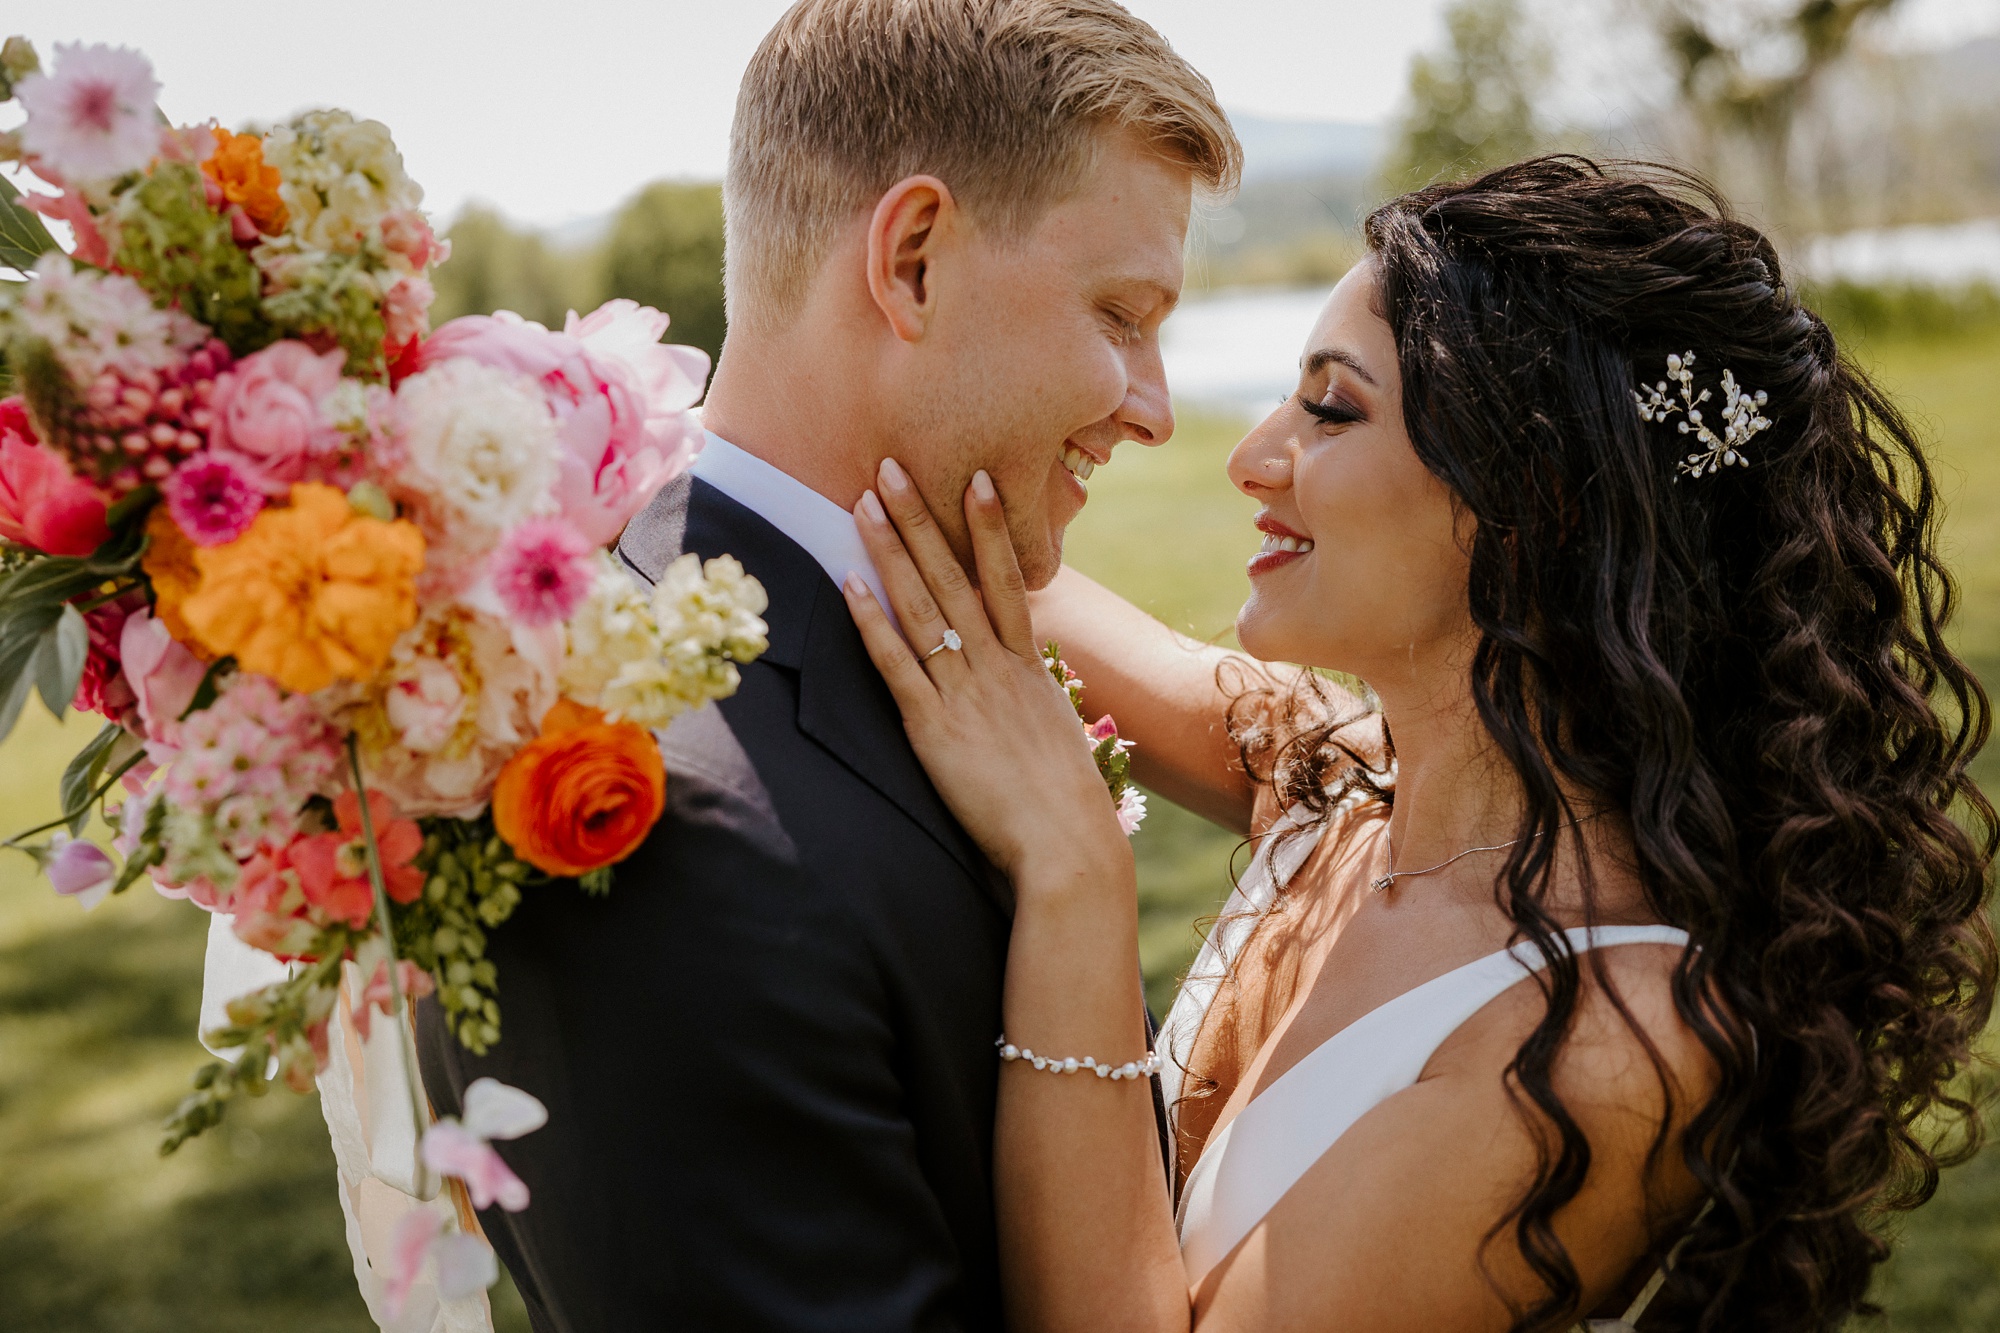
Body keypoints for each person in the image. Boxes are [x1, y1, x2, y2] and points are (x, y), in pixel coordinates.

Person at [841, 157, 1998, 1332]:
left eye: (1330, 409)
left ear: (1535, 504)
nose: (1249, 457)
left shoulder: (1598, 1048)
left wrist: (1075, 880)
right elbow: (958, 572)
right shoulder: (1334, 777)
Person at [413, 1, 1238, 1329]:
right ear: (912, 260)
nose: (1152, 404)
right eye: (1122, 314)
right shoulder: (655, 815)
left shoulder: (928, 646)